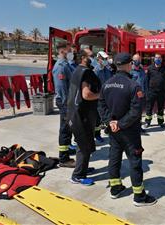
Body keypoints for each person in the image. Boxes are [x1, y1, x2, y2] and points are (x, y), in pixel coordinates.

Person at [98, 52, 157, 206]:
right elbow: (136, 111)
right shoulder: (133, 85)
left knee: (114, 158)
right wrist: (121, 124)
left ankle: (115, 188)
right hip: (129, 132)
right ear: (128, 64)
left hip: (113, 130)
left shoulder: (107, 84)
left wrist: (110, 122)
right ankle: (139, 196)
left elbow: (101, 106)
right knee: (135, 161)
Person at [67, 50, 101, 185]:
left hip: (78, 113)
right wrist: (101, 94)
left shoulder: (78, 70)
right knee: (84, 145)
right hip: (82, 115)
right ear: (83, 58)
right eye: (90, 56)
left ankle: (84, 168)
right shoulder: (85, 73)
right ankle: (78, 176)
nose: (92, 58)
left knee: (85, 143)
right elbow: (86, 94)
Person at [52, 42, 75, 167]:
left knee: (69, 128)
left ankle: (67, 149)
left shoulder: (67, 65)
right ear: (62, 51)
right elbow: (61, 88)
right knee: (65, 130)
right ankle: (64, 158)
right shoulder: (60, 66)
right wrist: (68, 104)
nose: (71, 52)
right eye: (69, 50)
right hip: (65, 102)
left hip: (69, 101)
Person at [144, 53, 165, 128]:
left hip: (161, 92)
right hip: (151, 91)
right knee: (149, 107)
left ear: (161, 59)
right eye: (156, 58)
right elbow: (147, 80)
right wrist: (147, 91)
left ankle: (160, 122)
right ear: (154, 59)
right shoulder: (150, 68)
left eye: (159, 58)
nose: (158, 59)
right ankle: (148, 122)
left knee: (161, 108)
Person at [94, 51, 113, 144]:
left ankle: (108, 130)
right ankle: (97, 134)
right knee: (97, 117)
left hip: (108, 96)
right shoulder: (96, 71)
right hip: (98, 97)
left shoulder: (108, 69)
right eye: (104, 59)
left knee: (108, 114)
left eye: (106, 59)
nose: (105, 60)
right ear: (99, 59)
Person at [130, 53, 147, 133]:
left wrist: (145, 92)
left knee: (139, 112)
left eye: (139, 60)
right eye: (136, 60)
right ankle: (132, 127)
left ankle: (138, 126)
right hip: (133, 95)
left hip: (142, 94)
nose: (138, 61)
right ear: (133, 61)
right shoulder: (130, 71)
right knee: (133, 111)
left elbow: (145, 82)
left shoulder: (142, 70)